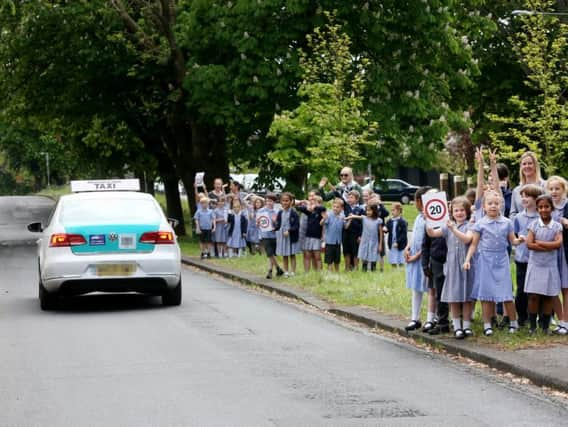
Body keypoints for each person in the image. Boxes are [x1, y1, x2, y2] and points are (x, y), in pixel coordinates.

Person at [463, 190, 525, 336]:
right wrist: (467, 260)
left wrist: (519, 240)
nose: (493, 206)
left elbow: (513, 241)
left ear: (500, 206)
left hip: (502, 261)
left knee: (506, 294)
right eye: (490, 203)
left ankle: (513, 323)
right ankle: (487, 324)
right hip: (485, 261)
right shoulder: (480, 224)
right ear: (484, 206)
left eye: (496, 204)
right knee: (486, 295)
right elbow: (473, 244)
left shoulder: (507, 222)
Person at [427, 196, 474, 339]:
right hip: (452, 266)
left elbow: (467, 239)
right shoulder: (447, 226)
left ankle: (466, 326)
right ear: (451, 212)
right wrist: (428, 220)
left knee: (467, 298)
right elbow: (433, 233)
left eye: (462, 210)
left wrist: (453, 229)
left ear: (467, 211)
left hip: (466, 265)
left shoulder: (470, 225)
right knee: (454, 297)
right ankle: (457, 327)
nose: (459, 213)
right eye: (456, 210)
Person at [525, 194, 563, 335]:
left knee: (548, 296)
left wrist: (540, 243)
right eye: (540, 207)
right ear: (537, 209)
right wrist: (549, 246)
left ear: (551, 208)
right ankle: (532, 326)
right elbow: (529, 244)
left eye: (546, 206)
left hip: (550, 266)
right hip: (536, 265)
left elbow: (558, 243)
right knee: (533, 296)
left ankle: (545, 326)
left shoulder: (556, 226)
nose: (543, 209)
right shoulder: (533, 225)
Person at [512, 184, 543, 326]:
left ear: (536, 199)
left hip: (538, 259)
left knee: (539, 289)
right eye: (522, 196)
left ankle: (543, 316)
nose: (524, 199)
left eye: (528, 196)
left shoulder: (541, 217)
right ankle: (522, 317)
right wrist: (519, 240)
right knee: (522, 289)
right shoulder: (518, 217)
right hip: (522, 258)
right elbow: (515, 236)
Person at [421, 189, 449, 335]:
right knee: (439, 292)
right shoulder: (429, 223)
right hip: (436, 260)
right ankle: (442, 321)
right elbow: (425, 244)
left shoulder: (449, 218)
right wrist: (425, 264)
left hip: (451, 259)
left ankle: (460, 322)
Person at [404, 186, 431, 331]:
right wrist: (408, 247)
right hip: (414, 258)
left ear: (419, 201)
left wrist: (417, 255)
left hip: (423, 258)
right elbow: (414, 236)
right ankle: (415, 317)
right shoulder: (418, 217)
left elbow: (428, 242)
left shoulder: (429, 218)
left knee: (428, 288)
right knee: (416, 288)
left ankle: (431, 318)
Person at [547, 176, 568, 334]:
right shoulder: (546, 206)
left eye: (557, 188)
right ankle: (560, 320)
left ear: (563, 190)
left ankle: (566, 322)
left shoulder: (567, 205)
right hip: (550, 252)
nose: (554, 192)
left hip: (564, 250)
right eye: (551, 189)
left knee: (565, 288)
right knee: (552, 287)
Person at [346, 204, 383, 272]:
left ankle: (373, 269)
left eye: (369, 210)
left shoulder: (378, 220)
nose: (368, 212)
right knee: (364, 255)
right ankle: (364, 269)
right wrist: (348, 217)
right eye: (367, 210)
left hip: (374, 241)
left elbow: (381, 233)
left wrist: (380, 244)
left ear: (374, 211)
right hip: (365, 241)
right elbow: (355, 216)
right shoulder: (364, 218)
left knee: (373, 255)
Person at [509, 151, 546, 220]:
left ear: (535, 165)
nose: (527, 166)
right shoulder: (516, 190)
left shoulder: (545, 186)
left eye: (530, 163)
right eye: (524, 164)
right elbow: (512, 214)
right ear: (521, 167)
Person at [295, 195, 326, 272]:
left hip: (317, 237)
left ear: (319, 203)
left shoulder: (321, 211)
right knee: (307, 256)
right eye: (312, 201)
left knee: (317, 256)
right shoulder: (309, 212)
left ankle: (319, 272)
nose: (313, 203)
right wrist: (303, 202)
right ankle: (307, 272)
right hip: (308, 237)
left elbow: (322, 208)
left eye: (315, 201)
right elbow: (298, 207)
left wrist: (313, 206)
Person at [257, 193, 284, 279]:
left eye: (271, 201)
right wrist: (258, 223)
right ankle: (278, 268)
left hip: (274, 235)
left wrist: (275, 222)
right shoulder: (261, 211)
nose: (269, 203)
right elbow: (258, 222)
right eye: (267, 201)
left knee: (272, 254)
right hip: (265, 234)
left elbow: (279, 224)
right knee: (270, 253)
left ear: (274, 202)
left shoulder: (277, 211)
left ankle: (270, 271)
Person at [274, 192, 300, 277]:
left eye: (287, 201)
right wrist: (274, 227)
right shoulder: (280, 212)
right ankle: (286, 271)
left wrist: (289, 231)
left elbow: (296, 225)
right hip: (282, 236)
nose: (285, 202)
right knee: (285, 255)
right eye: (283, 201)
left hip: (290, 236)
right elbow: (278, 224)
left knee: (292, 254)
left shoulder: (294, 212)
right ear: (280, 202)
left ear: (291, 201)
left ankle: (293, 271)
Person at [342, 190, 365, 271]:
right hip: (346, 233)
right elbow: (339, 196)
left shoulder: (360, 210)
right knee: (346, 251)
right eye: (348, 197)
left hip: (355, 234)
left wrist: (360, 235)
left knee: (355, 252)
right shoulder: (346, 208)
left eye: (351, 197)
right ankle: (347, 267)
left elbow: (363, 224)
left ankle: (356, 268)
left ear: (357, 199)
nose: (349, 199)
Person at [321, 198, 346, 272]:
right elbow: (321, 224)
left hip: (337, 242)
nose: (335, 208)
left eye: (337, 207)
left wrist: (349, 220)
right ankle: (330, 272)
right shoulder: (328, 214)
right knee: (329, 259)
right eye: (334, 206)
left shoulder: (342, 215)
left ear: (342, 208)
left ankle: (337, 272)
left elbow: (345, 226)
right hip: (329, 241)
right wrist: (324, 219)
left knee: (337, 260)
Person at [385, 202, 407, 268]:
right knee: (393, 259)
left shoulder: (403, 221)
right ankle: (393, 270)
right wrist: (385, 229)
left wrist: (398, 242)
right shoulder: (390, 221)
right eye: (391, 210)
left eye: (393, 210)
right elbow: (387, 229)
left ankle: (401, 269)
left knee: (400, 259)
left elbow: (403, 234)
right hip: (392, 243)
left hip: (400, 244)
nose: (392, 212)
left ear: (399, 211)